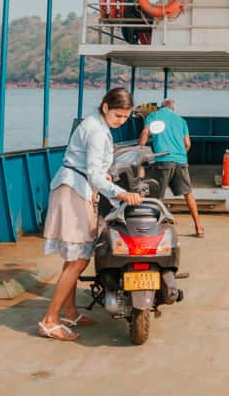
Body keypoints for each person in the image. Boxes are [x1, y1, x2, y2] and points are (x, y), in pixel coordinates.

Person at [38, 88, 144, 341]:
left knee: (73, 256)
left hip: (75, 187)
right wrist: (121, 194)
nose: (121, 121)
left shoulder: (96, 123)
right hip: (75, 191)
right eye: (118, 115)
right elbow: (95, 175)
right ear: (106, 106)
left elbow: (93, 169)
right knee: (78, 260)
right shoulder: (96, 130)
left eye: (126, 118)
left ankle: (70, 311)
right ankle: (49, 320)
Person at [139, 98, 204, 238]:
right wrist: (180, 155)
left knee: (156, 196)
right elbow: (188, 144)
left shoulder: (154, 116)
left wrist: (139, 151)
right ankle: (199, 228)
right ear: (173, 109)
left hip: (163, 160)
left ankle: (152, 229)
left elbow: (145, 133)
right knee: (188, 193)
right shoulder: (181, 121)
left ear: (161, 107)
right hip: (181, 161)